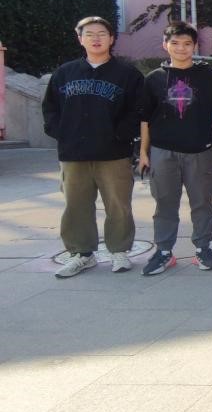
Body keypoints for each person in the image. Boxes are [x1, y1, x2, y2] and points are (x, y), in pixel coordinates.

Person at [41, 16, 144, 278]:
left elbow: (137, 110)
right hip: (73, 154)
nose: (96, 38)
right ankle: (81, 254)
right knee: (76, 205)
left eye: (101, 34)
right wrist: (62, 133)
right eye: (89, 34)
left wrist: (120, 135)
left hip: (113, 153)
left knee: (118, 205)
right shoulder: (65, 73)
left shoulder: (127, 74)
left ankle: (119, 250)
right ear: (80, 39)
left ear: (111, 38)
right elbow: (50, 108)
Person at [138, 21, 212, 275]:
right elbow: (145, 118)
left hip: (199, 150)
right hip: (162, 150)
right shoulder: (154, 79)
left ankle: (203, 248)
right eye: (175, 43)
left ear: (195, 46)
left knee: (202, 202)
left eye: (187, 43)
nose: (181, 48)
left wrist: (210, 131)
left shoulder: (210, 77)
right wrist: (144, 152)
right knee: (164, 203)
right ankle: (164, 251)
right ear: (165, 45)